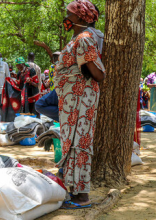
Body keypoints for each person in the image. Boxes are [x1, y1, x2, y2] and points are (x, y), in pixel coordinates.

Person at [56, 0, 105, 209]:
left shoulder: (84, 39)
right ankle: (74, 191)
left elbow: (99, 74)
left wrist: (82, 70)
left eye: (68, 14)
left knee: (80, 143)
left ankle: (82, 196)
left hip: (81, 101)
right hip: (72, 101)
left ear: (79, 17)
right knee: (73, 143)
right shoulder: (79, 37)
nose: (66, 18)